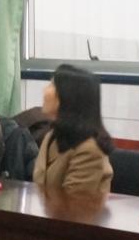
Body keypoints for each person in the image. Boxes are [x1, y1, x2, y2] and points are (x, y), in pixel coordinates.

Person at [31, 64, 114, 195]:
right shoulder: (51, 136)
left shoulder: (89, 150)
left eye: (52, 85)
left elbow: (72, 203)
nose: (45, 90)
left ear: (67, 96)